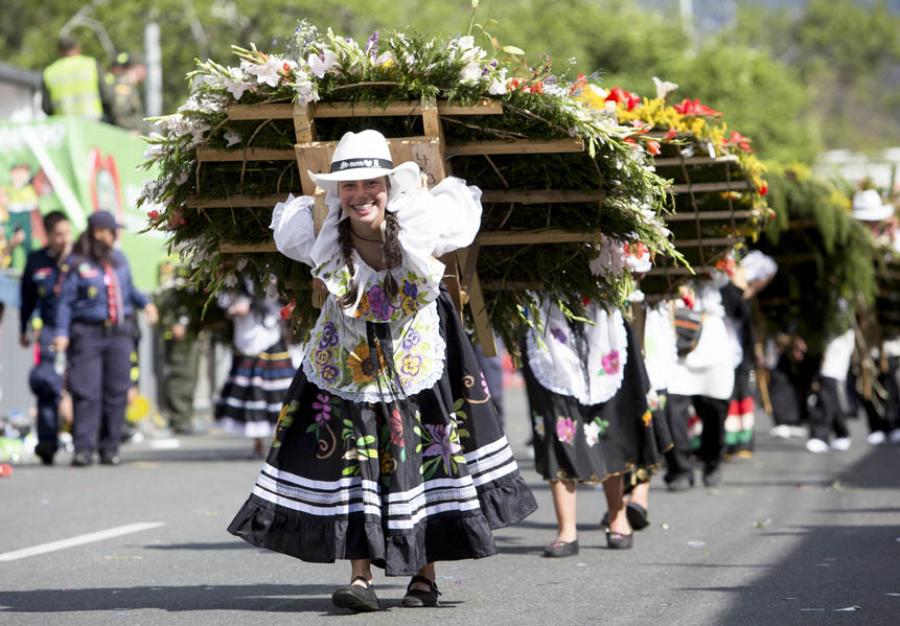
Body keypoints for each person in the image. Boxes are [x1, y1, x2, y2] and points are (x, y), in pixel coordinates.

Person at [227, 130, 537, 612]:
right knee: (355, 459)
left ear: (390, 187)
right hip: (349, 355)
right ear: (337, 194)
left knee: (419, 454)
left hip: (416, 352)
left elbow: (463, 220)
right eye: (348, 187)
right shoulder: (319, 231)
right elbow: (295, 242)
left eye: (371, 183)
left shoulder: (422, 223)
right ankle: (360, 578)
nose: (360, 195)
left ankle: (424, 577)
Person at [522, 238, 667, 556]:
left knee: (608, 422)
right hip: (548, 321)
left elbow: (640, 264)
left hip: (604, 326)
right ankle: (567, 530)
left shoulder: (614, 208)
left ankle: (618, 517)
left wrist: (622, 255)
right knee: (557, 424)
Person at [52, 210, 157, 466]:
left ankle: (110, 447)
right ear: (99, 232)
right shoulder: (77, 262)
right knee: (87, 392)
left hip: (118, 334)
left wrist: (146, 304)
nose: (116, 235)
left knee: (116, 390)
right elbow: (64, 301)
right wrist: (62, 333)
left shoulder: (119, 259)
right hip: (87, 333)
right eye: (112, 230)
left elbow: (130, 290)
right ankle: (84, 448)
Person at [665, 280, 735, 490]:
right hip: (675, 329)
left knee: (715, 408)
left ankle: (712, 461)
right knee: (672, 410)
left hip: (711, 335)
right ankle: (680, 469)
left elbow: (730, 277)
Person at [214, 277, 294, 455]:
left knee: (276, 394)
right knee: (249, 393)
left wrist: (253, 306)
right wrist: (235, 307)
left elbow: (278, 305)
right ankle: (258, 442)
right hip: (246, 337)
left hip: (268, 336)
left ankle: (281, 441)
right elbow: (223, 301)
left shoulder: (271, 276)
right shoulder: (234, 277)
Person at [19, 211, 73, 465]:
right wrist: (23, 329)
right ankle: (47, 441)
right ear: (48, 235)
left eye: (67, 233)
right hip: (50, 330)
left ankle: (86, 439)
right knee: (46, 384)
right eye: (58, 235)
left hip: (79, 329)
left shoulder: (78, 260)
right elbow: (27, 299)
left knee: (83, 386)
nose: (64, 239)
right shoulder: (36, 261)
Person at [155, 260, 202, 435]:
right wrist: (172, 322)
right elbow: (163, 293)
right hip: (178, 330)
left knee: (191, 375)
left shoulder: (192, 259)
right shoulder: (170, 261)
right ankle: (178, 419)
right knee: (180, 374)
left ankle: (186, 417)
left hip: (191, 328)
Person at [41, 36, 110, 121]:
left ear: (59, 51)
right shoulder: (91, 65)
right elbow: (107, 97)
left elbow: (46, 107)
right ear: (78, 47)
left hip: (67, 127)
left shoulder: (49, 72)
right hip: (94, 124)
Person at [106, 52, 146, 133]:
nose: (146, 72)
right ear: (137, 68)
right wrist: (132, 129)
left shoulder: (130, 86)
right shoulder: (123, 85)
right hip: (125, 134)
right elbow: (120, 112)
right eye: (144, 68)